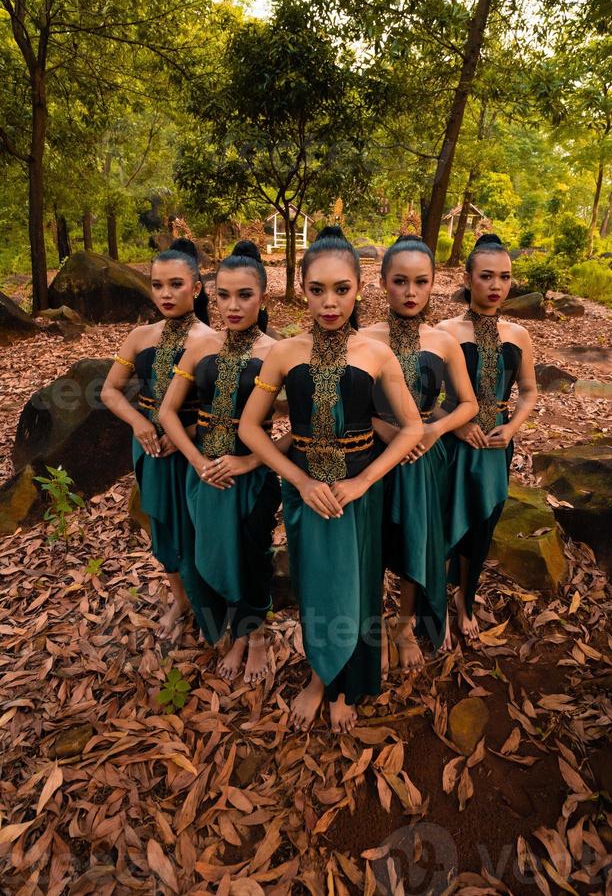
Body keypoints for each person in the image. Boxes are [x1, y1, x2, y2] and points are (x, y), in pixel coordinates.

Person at [239, 227, 423, 734]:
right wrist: (298, 479)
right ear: (302, 289)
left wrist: (365, 482)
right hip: (305, 494)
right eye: (317, 290)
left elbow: (411, 429)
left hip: (358, 493)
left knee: (359, 589)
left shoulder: (375, 353)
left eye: (341, 289)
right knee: (315, 587)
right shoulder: (283, 353)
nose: (329, 301)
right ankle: (320, 674)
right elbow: (250, 428)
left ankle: (345, 685)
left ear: (360, 289)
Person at [159, 241, 282, 685]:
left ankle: (256, 635)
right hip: (204, 472)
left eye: (244, 295)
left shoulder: (278, 352)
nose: (233, 305)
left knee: (253, 555)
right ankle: (231, 628)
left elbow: (302, 430)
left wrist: (250, 462)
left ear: (263, 297)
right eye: (223, 295)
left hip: (253, 475)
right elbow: (168, 412)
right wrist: (194, 460)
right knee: (211, 553)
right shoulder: (200, 346)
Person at [360, 235, 478, 671]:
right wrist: (387, 431)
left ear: (434, 284)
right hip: (371, 454)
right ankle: (369, 624)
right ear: (382, 283)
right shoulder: (362, 338)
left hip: (425, 459)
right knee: (372, 542)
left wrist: (433, 430)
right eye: (400, 281)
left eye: (420, 282)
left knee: (417, 538)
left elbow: (468, 403)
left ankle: (405, 625)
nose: (410, 293)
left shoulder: (443, 341)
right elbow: (355, 407)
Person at [101, 242, 213, 634]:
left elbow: (228, 411)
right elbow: (110, 391)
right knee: (162, 525)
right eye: (157, 285)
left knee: (198, 524)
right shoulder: (140, 336)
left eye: (176, 284)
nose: (165, 294)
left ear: (196, 289)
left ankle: (210, 604)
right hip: (149, 443)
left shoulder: (213, 340)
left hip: (196, 445)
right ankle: (180, 601)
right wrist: (139, 423)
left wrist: (189, 432)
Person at [437, 234, 537, 640]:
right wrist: (455, 423)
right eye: (487, 276)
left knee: (483, 524)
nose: (496, 286)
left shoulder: (519, 335)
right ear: (468, 278)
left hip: (496, 445)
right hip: (451, 444)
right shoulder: (443, 331)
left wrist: (511, 427)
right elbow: (422, 398)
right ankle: (432, 600)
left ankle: (465, 597)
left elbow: (529, 391)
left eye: (505, 277)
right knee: (445, 523)